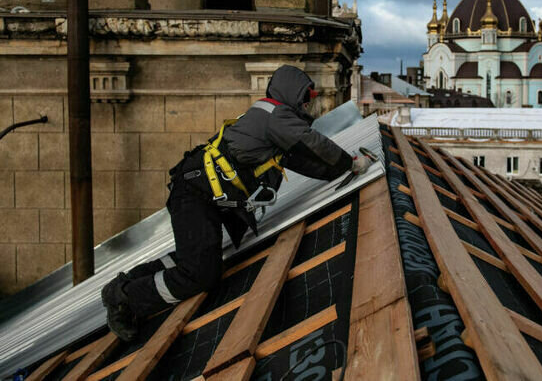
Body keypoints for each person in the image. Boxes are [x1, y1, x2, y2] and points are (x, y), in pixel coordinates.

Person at [101, 65, 373, 341]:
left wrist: (340, 170)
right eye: (305, 96)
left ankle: (122, 285)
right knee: (202, 274)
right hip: (194, 193)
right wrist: (350, 163)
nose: (308, 103)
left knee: (196, 257)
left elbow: (302, 159)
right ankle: (127, 300)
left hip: (197, 190)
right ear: (291, 94)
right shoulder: (277, 116)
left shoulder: (273, 120)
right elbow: (313, 143)